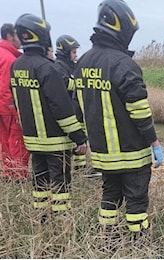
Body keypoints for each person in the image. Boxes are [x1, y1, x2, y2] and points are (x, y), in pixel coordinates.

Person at [74, 0, 164, 241]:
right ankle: (139, 243)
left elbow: (78, 106)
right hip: (131, 153)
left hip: (103, 154)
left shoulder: (82, 62)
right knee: (136, 200)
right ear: (121, 29)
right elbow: (139, 110)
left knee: (110, 195)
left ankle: (108, 240)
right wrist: (154, 143)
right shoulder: (124, 65)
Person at [11, 13, 87, 218]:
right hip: (55, 142)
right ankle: (61, 222)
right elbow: (61, 108)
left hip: (33, 141)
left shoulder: (17, 66)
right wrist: (79, 137)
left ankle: (41, 218)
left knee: (40, 182)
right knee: (60, 184)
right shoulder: (47, 68)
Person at [54, 35, 91, 175]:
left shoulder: (72, 66)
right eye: (73, 52)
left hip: (77, 110)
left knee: (81, 138)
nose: (76, 55)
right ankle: (73, 169)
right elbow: (64, 84)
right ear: (65, 52)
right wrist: (80, 84)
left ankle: (80, 169)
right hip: (69, 110)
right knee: (73, 141)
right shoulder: (58, 66)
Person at [0, 23, 30, 182]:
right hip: (7, 107)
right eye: (18, 36)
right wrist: (15, 110)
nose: (21, 40)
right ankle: (19, 175)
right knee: (17, 140)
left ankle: (8, 172)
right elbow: (6, 88)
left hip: (2, 107)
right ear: (10, 36)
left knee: (5, 141)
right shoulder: (10, 59)